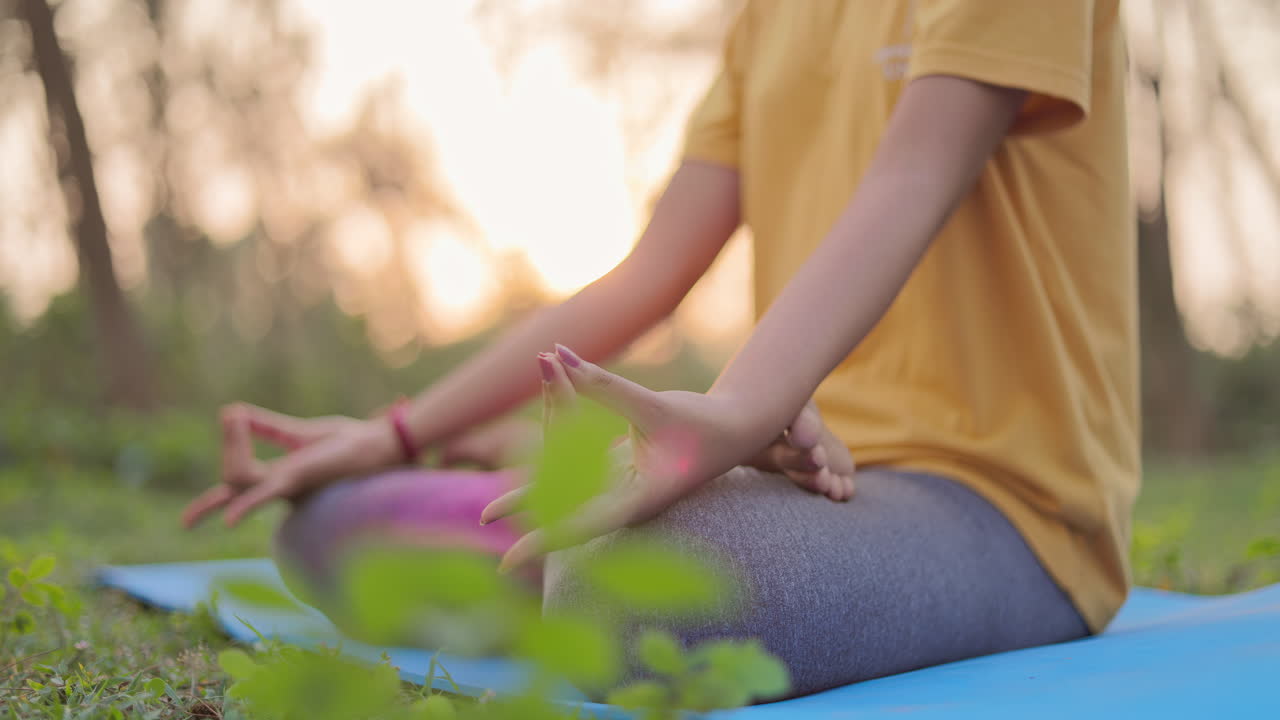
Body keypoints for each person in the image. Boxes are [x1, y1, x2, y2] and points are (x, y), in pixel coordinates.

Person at [183, 0, 1139, 699]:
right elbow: (647, 274)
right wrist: (396, 434)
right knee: (329, 518)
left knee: (628, 588)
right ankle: (562, 531)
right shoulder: (767, 18)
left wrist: (740, 410)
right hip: (792, 466)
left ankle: (576, 557)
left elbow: (915, 173)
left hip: (999, 504)